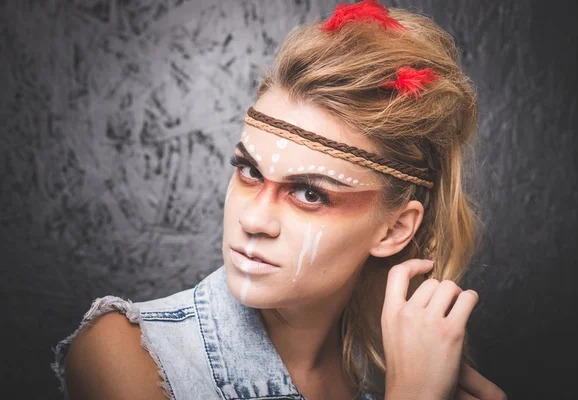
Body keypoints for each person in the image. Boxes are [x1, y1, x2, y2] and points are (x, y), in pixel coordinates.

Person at [52, 1, 507, 399]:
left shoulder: (390, 382)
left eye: (309, 193)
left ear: (393, 230)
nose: (253, 218)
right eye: (249, 171)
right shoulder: (129, 355)